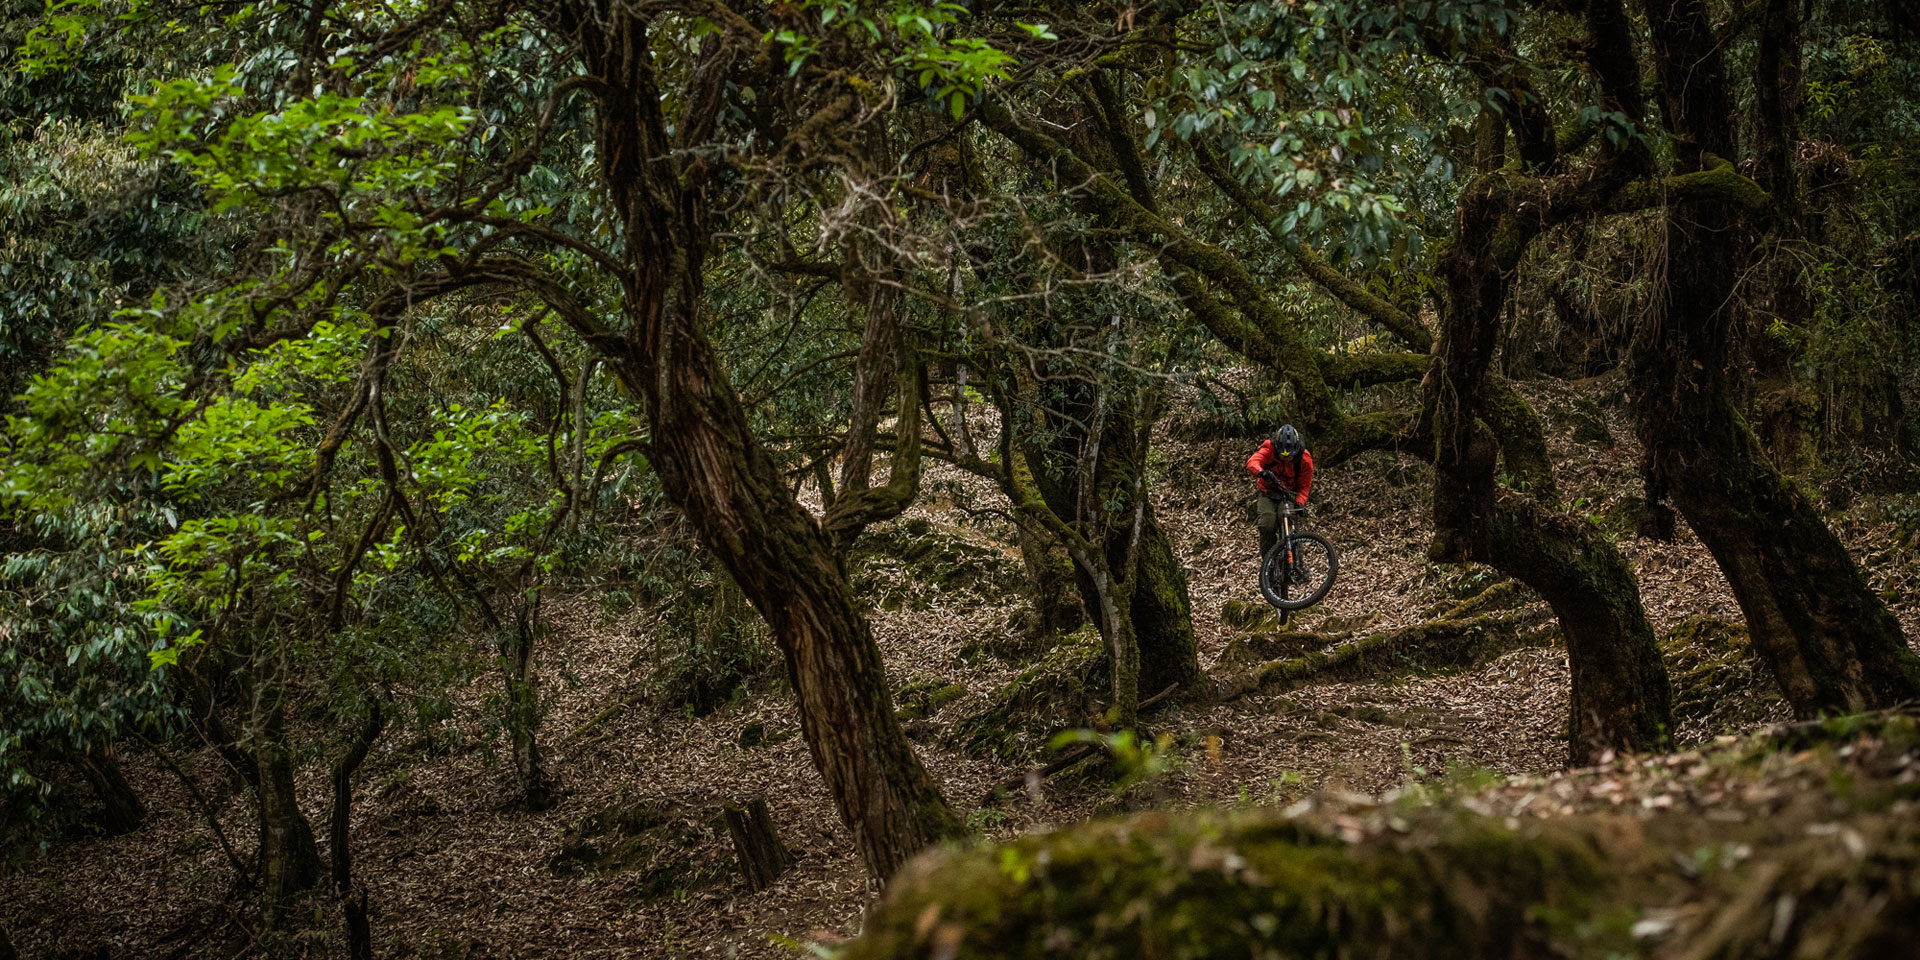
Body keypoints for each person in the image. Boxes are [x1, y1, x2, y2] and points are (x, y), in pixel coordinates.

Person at [1247, 423, 1314, 561]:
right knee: (1267, 524)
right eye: (1282, 455)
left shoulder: (1304, 459)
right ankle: (1269, 562)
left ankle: (1296, 561)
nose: (1286, 459)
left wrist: (1300, 502)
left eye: (1289, 456)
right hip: (1267, 492)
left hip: (1288, 494)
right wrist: (1261, 472)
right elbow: (1253, 461)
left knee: (1288, 519)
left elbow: (1304, 486)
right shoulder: (1269, 449)